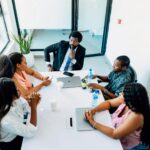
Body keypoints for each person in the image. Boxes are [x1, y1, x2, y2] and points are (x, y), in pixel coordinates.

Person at [85, 83, 150, 150]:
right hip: (115, 134)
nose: (121, 94)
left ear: (130, 99)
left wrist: (92, 122)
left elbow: (115, 134)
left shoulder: (136, 116)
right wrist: (94, 110)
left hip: (128, 146)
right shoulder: (126, 101)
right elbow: (109, 103)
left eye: (123, 93)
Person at [0, 78, 41, 150]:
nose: (18, 89)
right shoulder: (6, 120)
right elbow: (31, 131)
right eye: (15, 88)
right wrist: (33, 107)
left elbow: (26, 111)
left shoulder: (14, 99)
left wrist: (33, 104)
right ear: (9, 94)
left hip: (19, 130)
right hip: (12, 143)